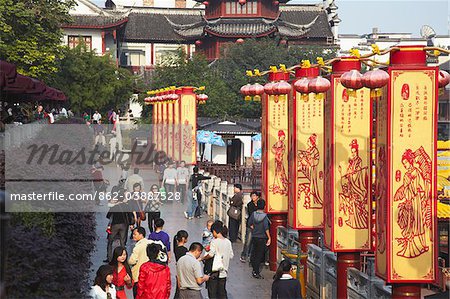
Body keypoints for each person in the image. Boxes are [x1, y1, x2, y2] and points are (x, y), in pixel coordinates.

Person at [200, 221, 234, 299]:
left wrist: (202, 258)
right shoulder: (228, 242)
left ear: (215, 231)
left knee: (212, 292)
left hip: (214, 272)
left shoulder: (214, 242)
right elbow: (231, 255)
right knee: (222, 292)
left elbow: (211, 254)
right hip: (224, 271)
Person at [105, 197, 134, 262]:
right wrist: (131, 224)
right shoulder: (127, 206)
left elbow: (108, 216)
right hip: (124, 225)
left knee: (110, 242)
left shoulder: (114, 207)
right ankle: (124, 258)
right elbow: (130, 215)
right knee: (122, 242)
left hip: (115, 225)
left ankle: (109, 258)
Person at [249, 199, 271, 279]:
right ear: (264, 206)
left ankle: (254, 269)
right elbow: (266, 228)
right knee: (259, 255)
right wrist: (269, 237)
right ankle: (256, 271)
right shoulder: (265, 216)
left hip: (255, 236)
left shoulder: (253, 214)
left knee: (254, 253)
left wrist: (254, 229)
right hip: (262, 237)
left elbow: (250, 224)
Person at [241, 191, 263, 263]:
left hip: (258, 226)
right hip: (250, 225)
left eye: (254, 196)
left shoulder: (260, 204)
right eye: (252, 196)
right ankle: (244, 255)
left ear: (257, 197)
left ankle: (251, 256)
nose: (253, 197)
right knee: (248, 241)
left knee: (255, 242)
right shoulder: (250, 204)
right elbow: (252, 214)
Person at [129, 227, 151, 297]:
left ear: (141, 235)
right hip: (149, 276)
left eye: (135, 234)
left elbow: (132, 261)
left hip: (138, 275)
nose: (133, 236)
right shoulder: (150, 243)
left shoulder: (137, 247)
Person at [173, 230, 189, 299]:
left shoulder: (176, 248)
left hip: (179, 271)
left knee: (178, 291)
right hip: (183, 272)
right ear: (183, 238)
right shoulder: (183, 250)